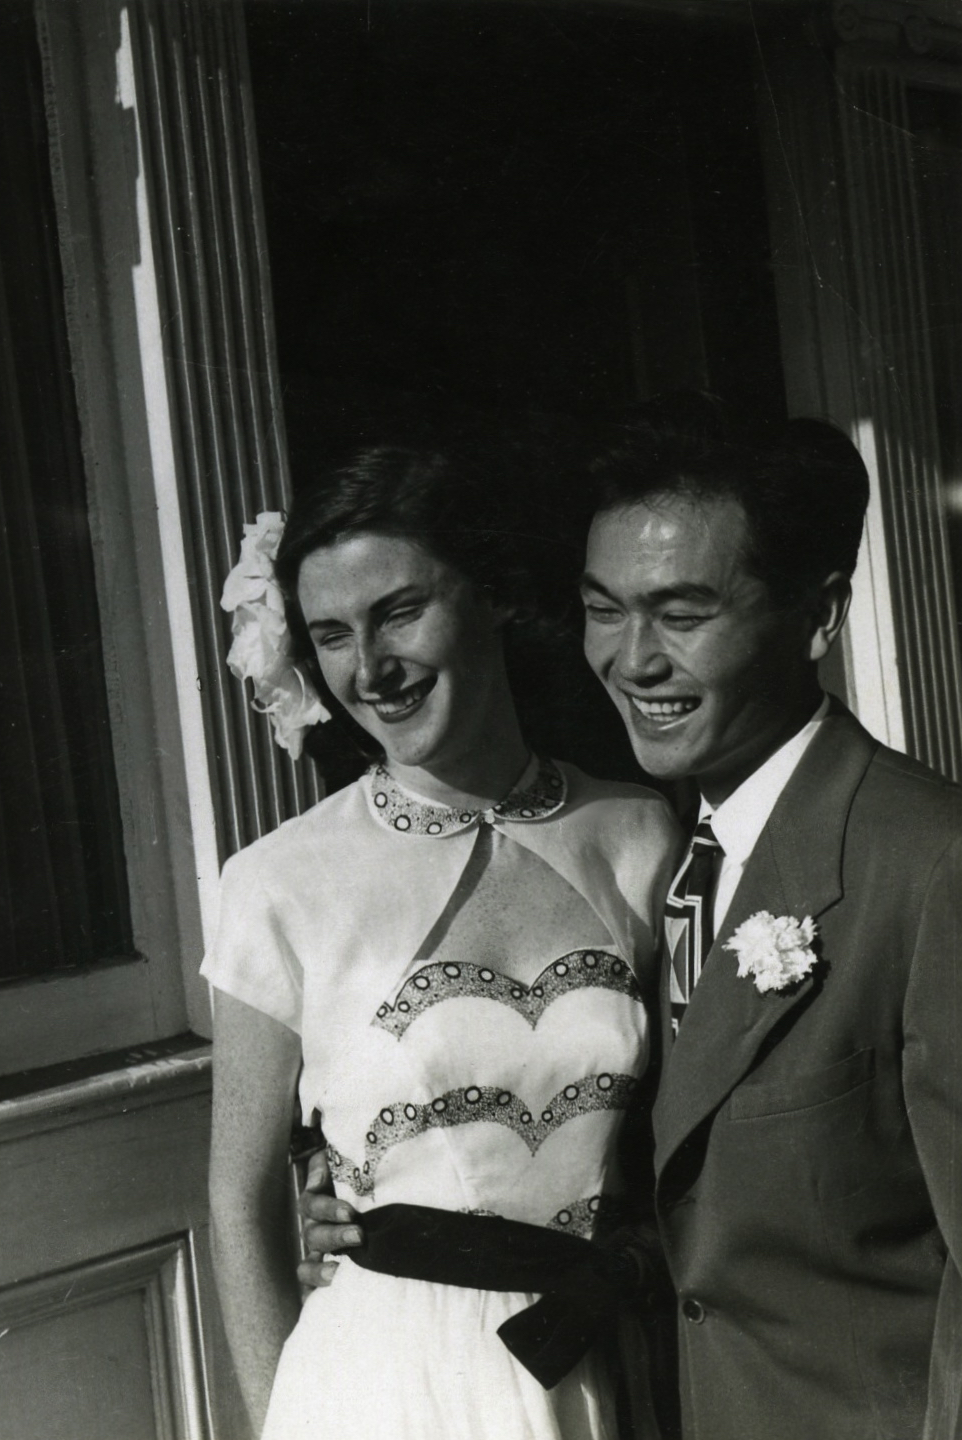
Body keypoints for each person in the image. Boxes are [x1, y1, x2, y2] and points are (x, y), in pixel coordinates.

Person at [303, 410, 961, 1440]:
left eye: (681, 614)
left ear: (818, 615)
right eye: (602, 611)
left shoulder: (929, 863)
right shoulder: (662, 850)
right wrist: (367, 1190)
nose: (629, 660)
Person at [202, 444, 683, 1440]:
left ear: (492, 594)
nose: (366, 670)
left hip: (602, 1359)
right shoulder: (277, 885)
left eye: (397, 612)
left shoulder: (639, 834)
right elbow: (240, 1196)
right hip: (386, 1379)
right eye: (329, 635)